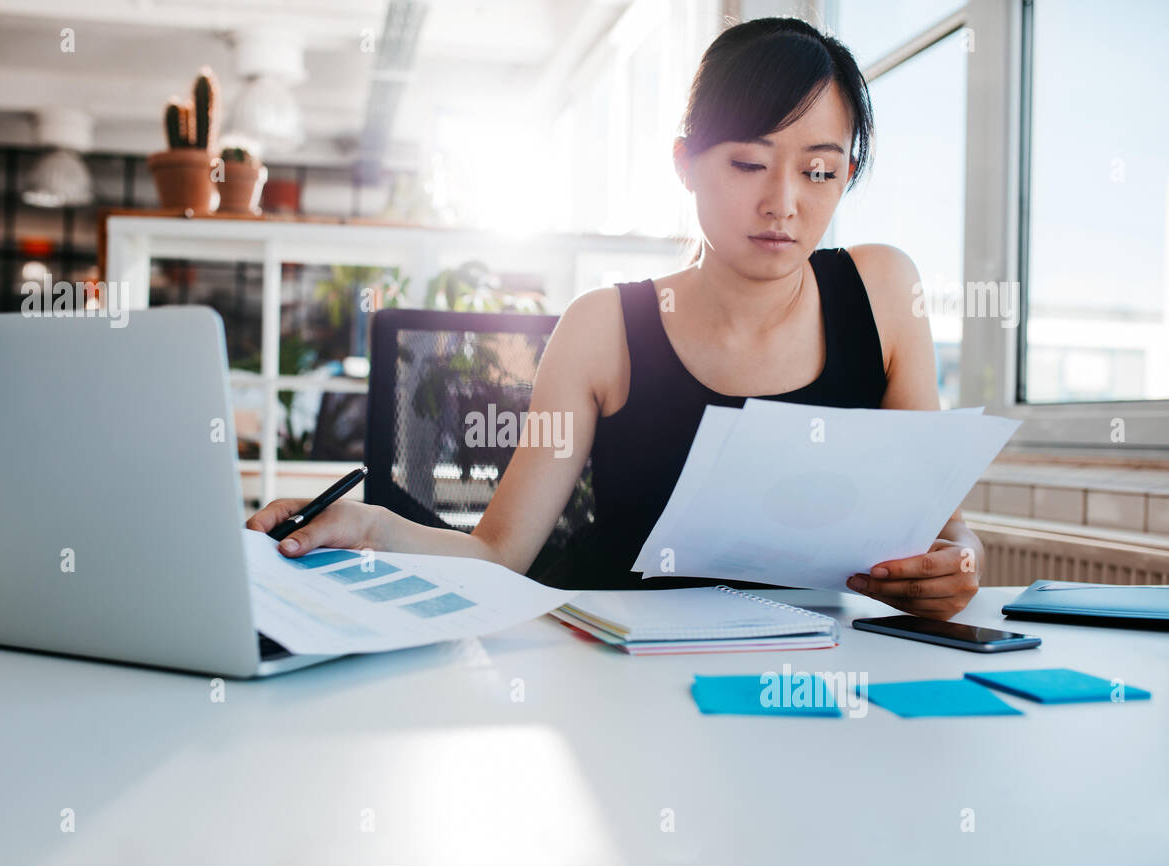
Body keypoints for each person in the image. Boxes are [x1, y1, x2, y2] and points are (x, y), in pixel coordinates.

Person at [248, 16, 984, 621]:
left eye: (819, 171)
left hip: (825, 669)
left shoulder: (883, 290)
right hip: (626, 669)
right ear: (686, 163)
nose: (784, 203)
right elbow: (502, 552)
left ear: (845, 175)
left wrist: (959, 562)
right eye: (748, 164)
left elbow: (931, 522)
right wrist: (373, 528)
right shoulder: (603, 327)